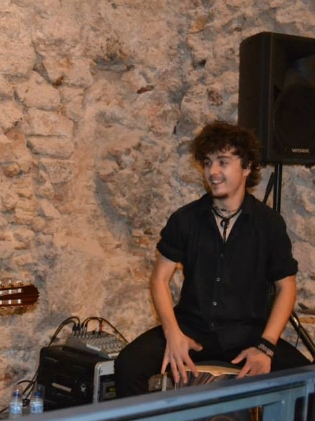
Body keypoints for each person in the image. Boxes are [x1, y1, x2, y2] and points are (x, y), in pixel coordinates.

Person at [114, 121, 311, 397]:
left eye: (223, 162)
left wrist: (266, 346)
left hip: (247, 334)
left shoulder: (269, 224)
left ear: (246, 167)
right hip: (191, 329)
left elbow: (286, 287)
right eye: (208, 163)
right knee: (128, 365)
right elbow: (159, 279)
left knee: (308, 381)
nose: (213, 172)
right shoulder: (185, 219)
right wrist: (173, 334)